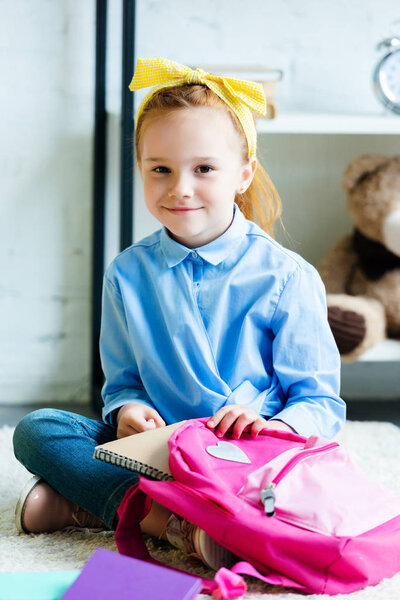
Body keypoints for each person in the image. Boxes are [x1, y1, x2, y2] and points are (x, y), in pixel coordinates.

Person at [13, 58, 345, 570]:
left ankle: (92, 503)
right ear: (140, 170)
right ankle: (174, 523)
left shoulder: (287, 277)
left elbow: (320, 403)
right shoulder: (127, 274)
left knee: (302, 496)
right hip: (163, 452)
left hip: (246, 459)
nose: (180, 188)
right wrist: (127, 411)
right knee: (39, 429)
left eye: (204, 169)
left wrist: (269, 423)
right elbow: (123, 382)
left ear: (244, 173)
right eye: (160, 169)